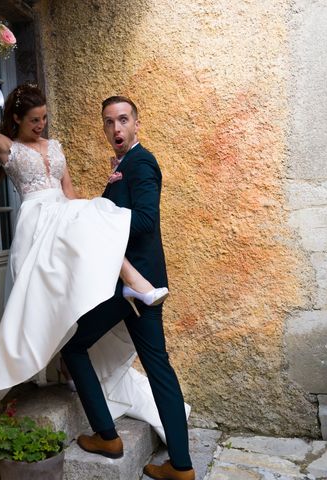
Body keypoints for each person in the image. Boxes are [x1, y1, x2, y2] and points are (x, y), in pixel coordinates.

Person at [0, 51, 167, 406]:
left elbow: (71, 193)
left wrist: (89, 211)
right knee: (45, 301)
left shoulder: (55, 147)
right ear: (16, 119)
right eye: (33, 120)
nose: (41, 125)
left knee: (77, 281)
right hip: (36, 223)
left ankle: (75, 359)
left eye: (44, 118)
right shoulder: (9, 148)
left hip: (63, 215)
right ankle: (51, 364)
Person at [60, 97, 195, 480]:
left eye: (123, 120)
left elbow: (146, 221)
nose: (116, 129)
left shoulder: (141, 162)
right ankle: (181, 467)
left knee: (74, 345)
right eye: (109, 123)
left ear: (137, 123)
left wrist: (101, 222)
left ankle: (108, 435)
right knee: (159, 369)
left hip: (136, 287)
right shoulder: (123, 167)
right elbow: (115, 216)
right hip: (134, 286)